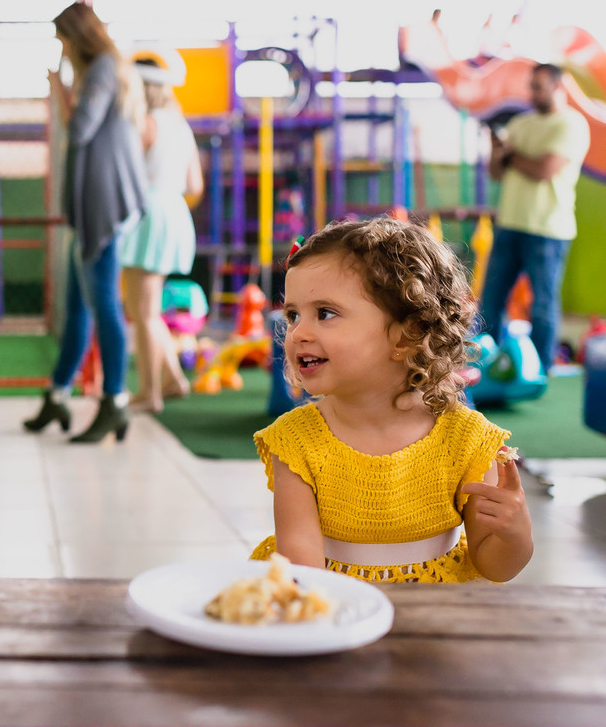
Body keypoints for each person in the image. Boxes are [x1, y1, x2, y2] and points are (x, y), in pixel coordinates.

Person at [251, 218, 532, 583]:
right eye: (293, 315)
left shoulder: (468, 441)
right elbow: (304, 573)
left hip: (438, 617)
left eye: (325, 313)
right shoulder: (296, 441)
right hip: (335, 607)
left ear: (407, 335)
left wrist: (515, 533)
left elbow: (495, 566)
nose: (299, 333)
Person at [24, 2, 147, 443]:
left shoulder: (102, 68)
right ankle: (57, 394)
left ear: (76, 37)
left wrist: (59, 90)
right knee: (79, 307)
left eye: (63, 41)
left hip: (102, 206)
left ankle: (113, 400)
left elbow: (80, 129)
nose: (63, 49)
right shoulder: (109, 68)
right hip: (97, 204)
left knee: (104, 308)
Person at [484, 62, 590, 372]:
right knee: (490, 302)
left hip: (548, 230)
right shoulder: (520, 123)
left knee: (542, 306)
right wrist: (496, 153)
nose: (532, 93)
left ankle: (541, 371)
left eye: (539, 87)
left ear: (558, 88)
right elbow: (496, 172)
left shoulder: (571, 124)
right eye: (531, 86)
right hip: (509, 224)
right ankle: (487, 368)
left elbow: (544, 170)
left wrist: (511, 156)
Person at [119, 55, 203, 413]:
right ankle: (172, 379)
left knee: (143, 312)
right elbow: (194, 183)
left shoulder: (145, 123)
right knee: (148, 309)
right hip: (174, 212)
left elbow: (125, 173)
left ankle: (149, 393)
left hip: (147, 215)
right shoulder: (181, 126)